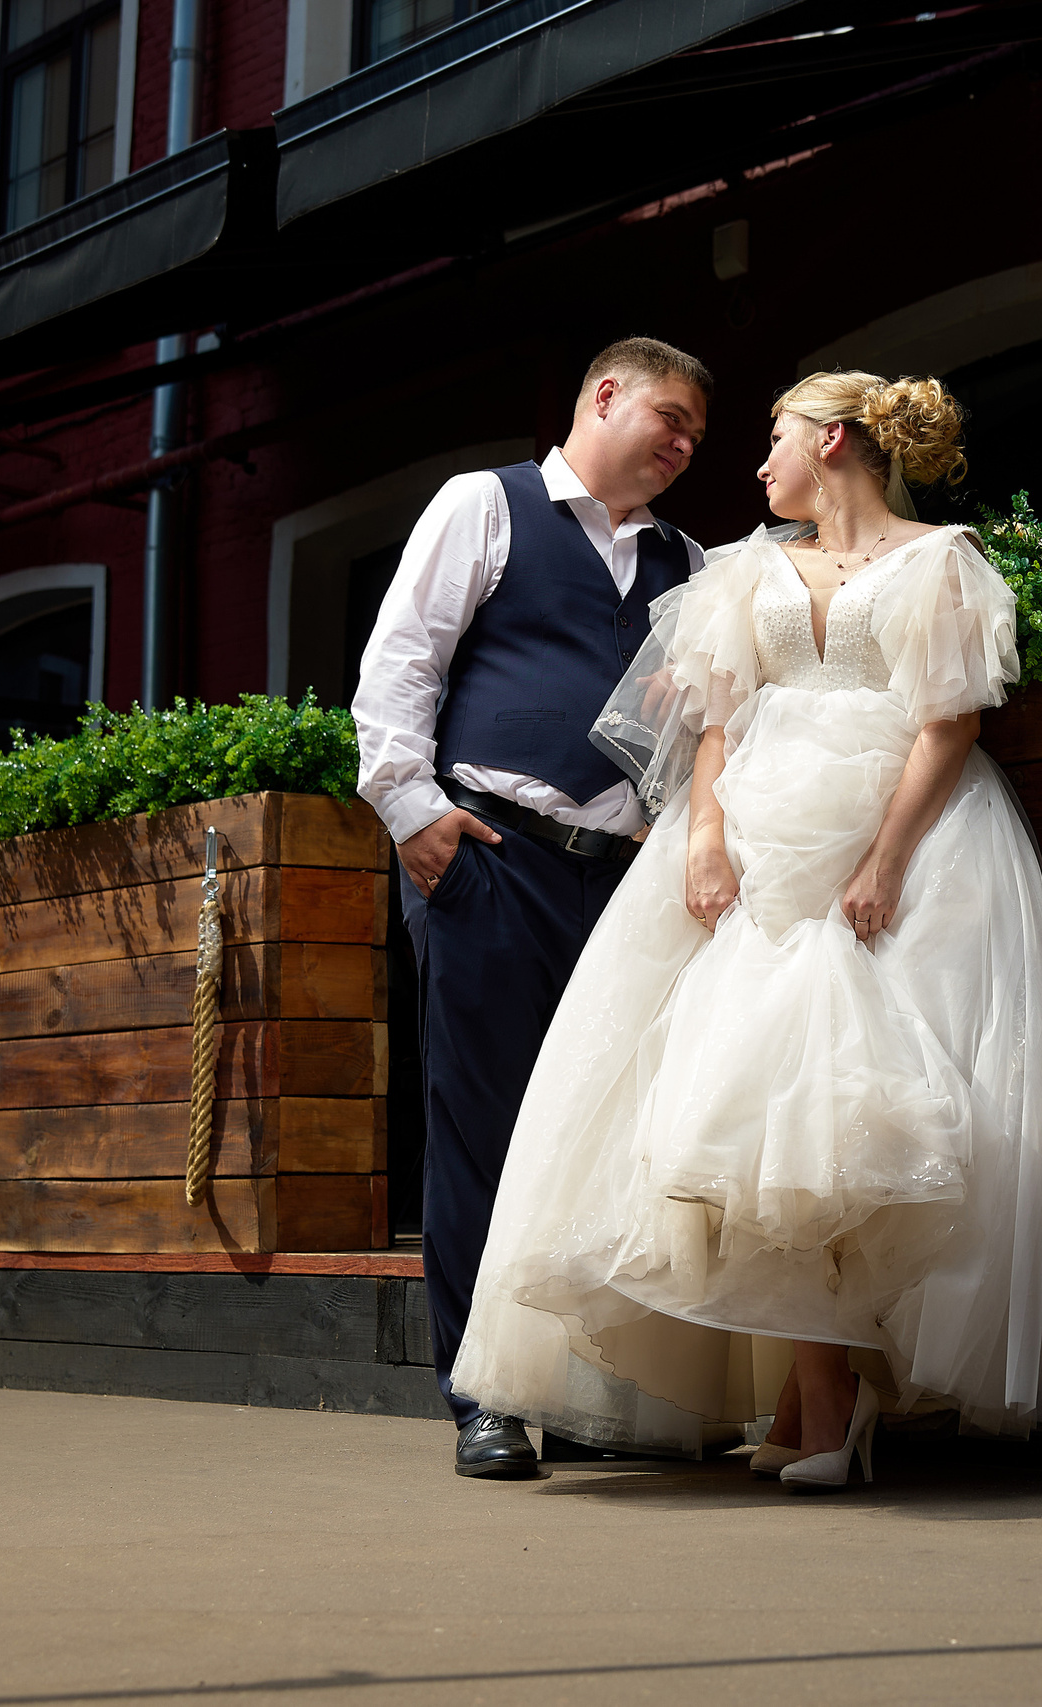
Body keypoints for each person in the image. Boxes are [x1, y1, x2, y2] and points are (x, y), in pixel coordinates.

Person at [450, 371, 1042, 1485]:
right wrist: (706, 834)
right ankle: (811, 1404)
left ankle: (830, 1406)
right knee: (756, 1128)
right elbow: (717, 721)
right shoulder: (748, 567)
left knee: (842, 1130)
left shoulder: (939, 560)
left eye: (772, 437)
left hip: (893, 839)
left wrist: (881, 861)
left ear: (833, 439)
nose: (756, 463)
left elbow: (946, 725)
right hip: (759, 845)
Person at [352, 337, 713, 1478]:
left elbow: (708, 731)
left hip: (624, 884)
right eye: (669, 415)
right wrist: (414, 814)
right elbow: (401, 661)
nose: (682, 444)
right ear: (603, 395)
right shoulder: (485, 505)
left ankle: (591, 1391)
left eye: (698, 435)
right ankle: (483, 1396)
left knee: (609, 1136)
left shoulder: (692, 563)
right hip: (492, 858)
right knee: (484, 1132)